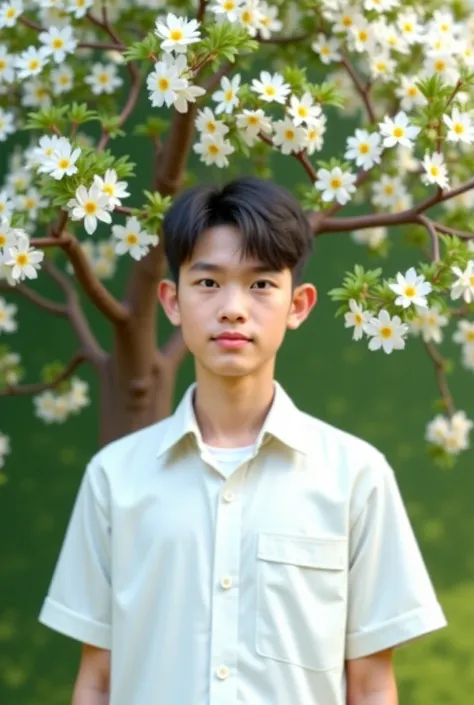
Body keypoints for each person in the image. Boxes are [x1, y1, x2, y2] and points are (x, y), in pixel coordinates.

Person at [38, 176, 447, 705]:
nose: (233, 308)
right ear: (172, 300)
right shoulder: (115, 478)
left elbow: (371, 686)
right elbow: (97, 680)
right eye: (208, 283)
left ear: (298, 305)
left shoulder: (355, 477)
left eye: (260, 284)